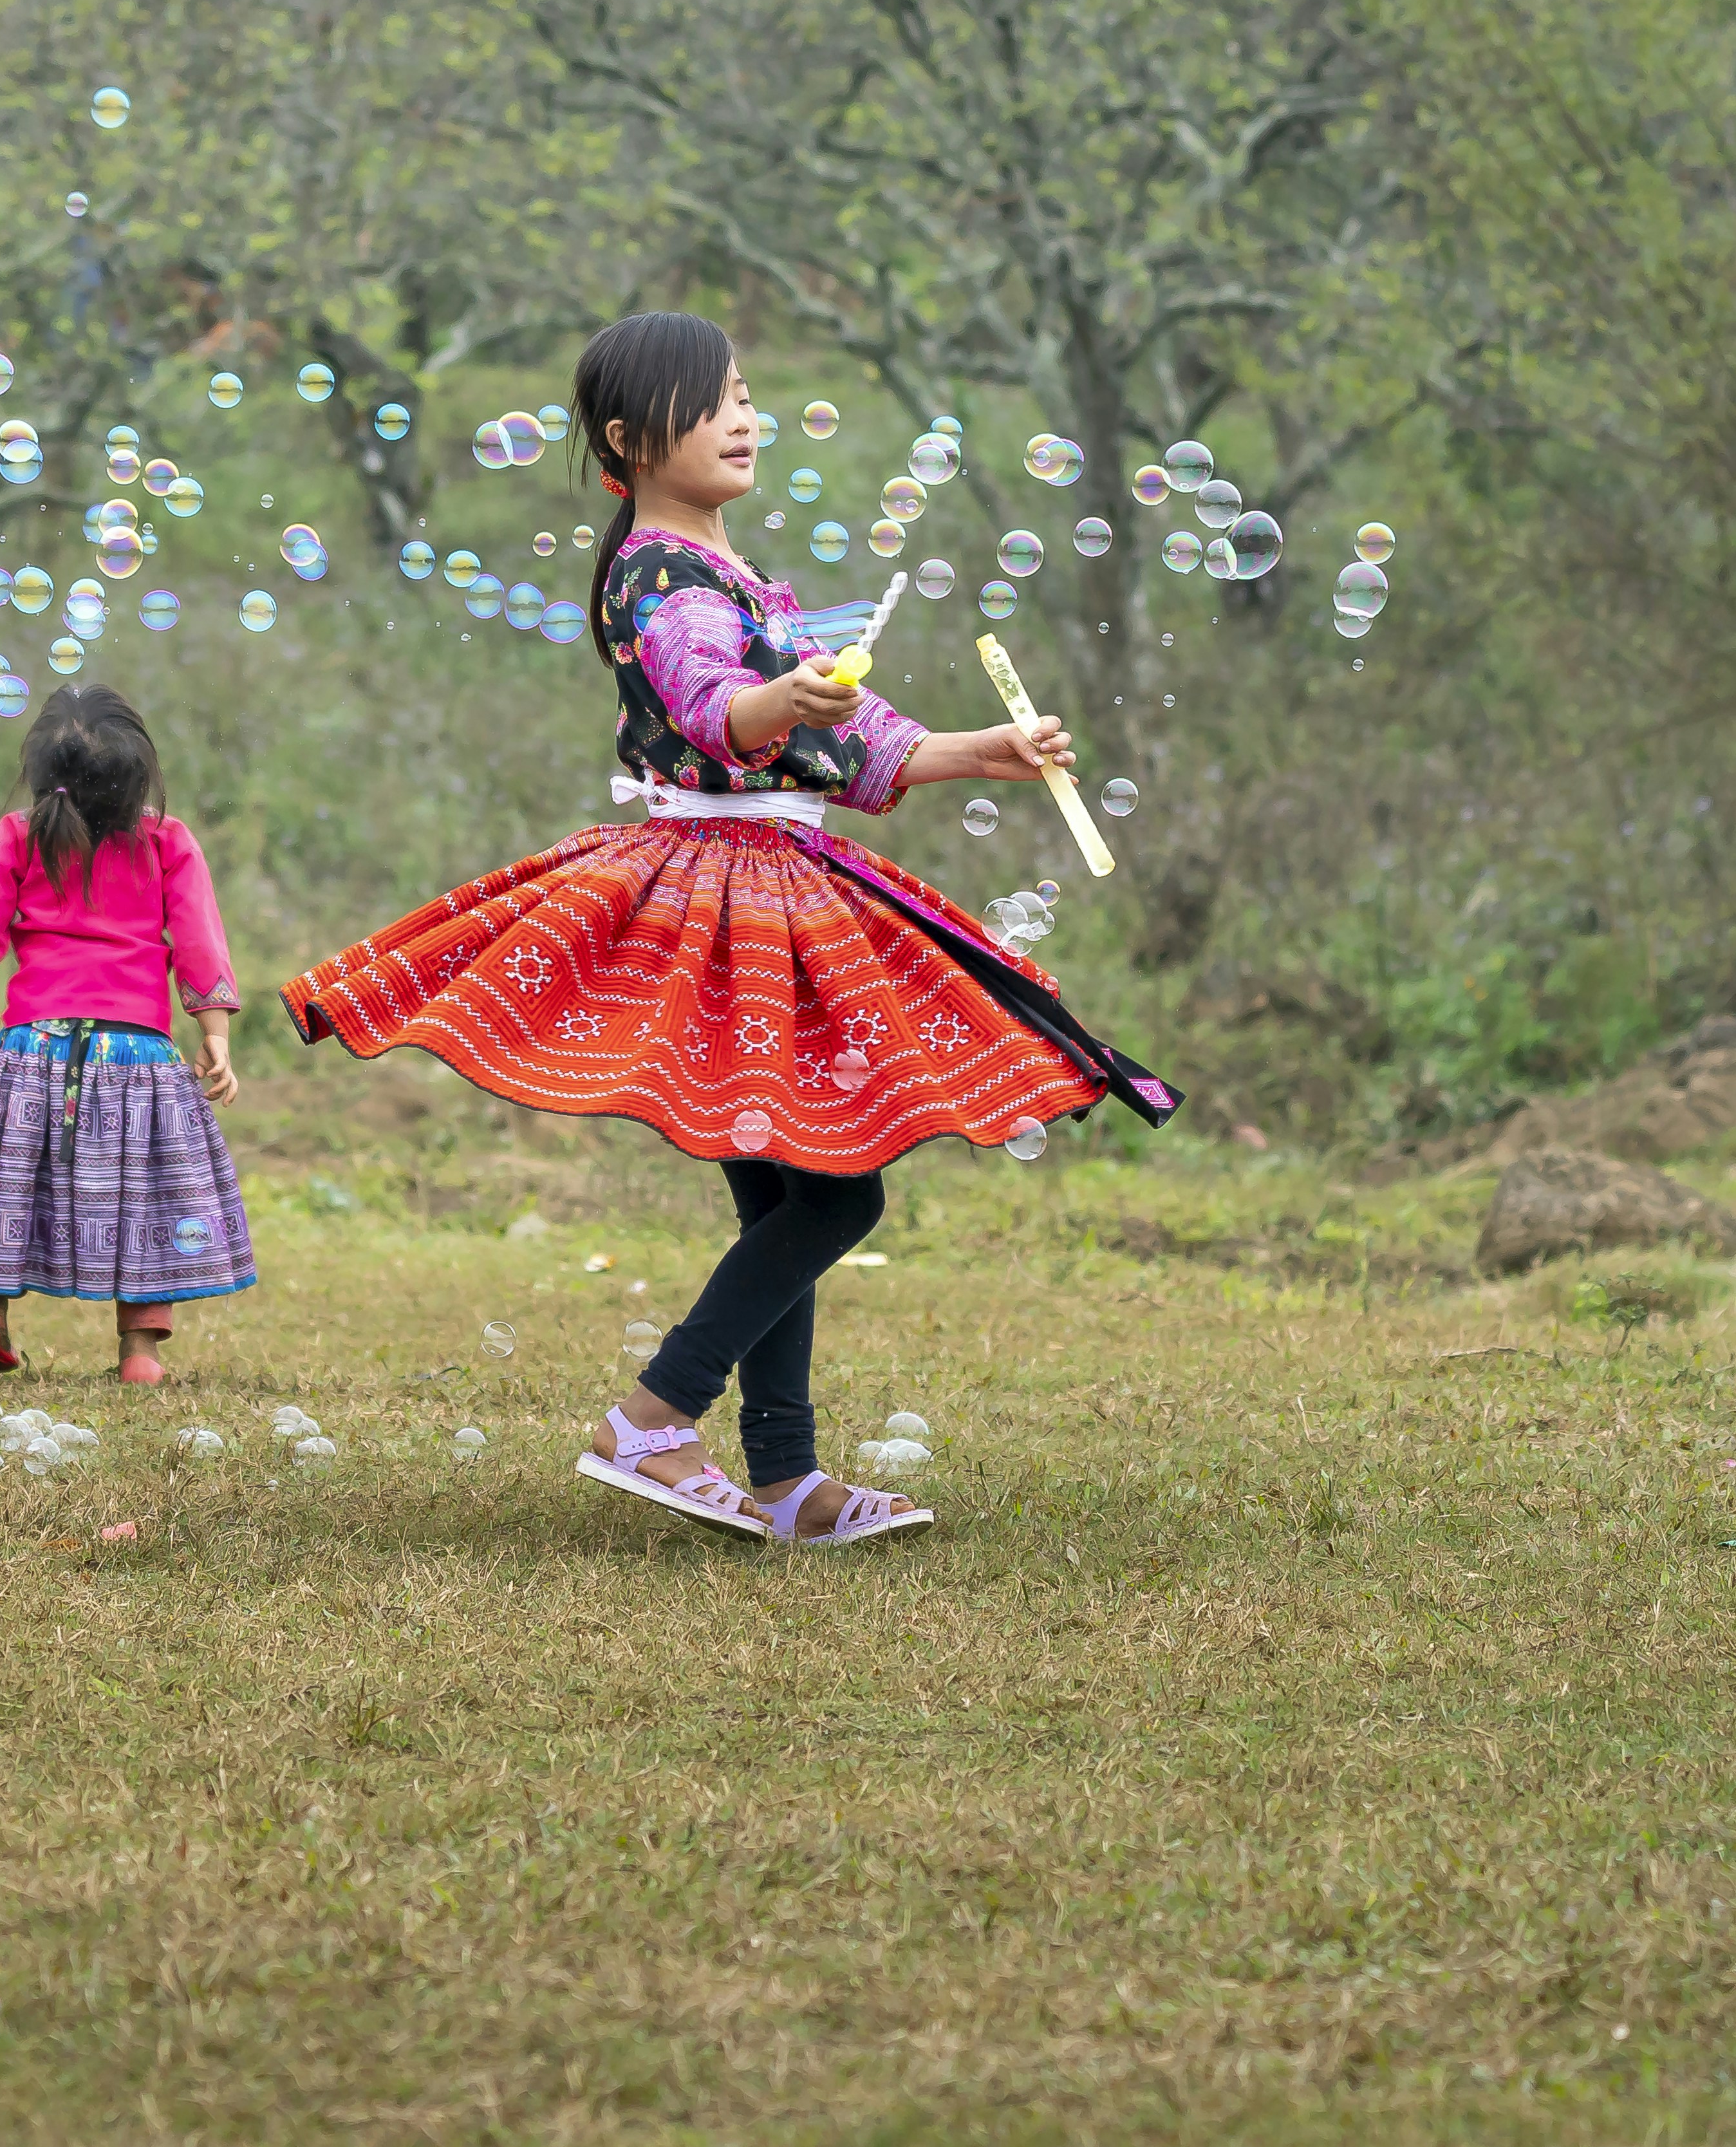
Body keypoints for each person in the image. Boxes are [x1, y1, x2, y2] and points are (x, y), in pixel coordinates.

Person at [283, 312, 1177, 1548]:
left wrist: (988, 751)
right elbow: (714, 706)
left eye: (748, 396)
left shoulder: (738, 574)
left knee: (791, 1195)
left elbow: (849, 739)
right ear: (629, 440)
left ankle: (787, 1481)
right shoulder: (657, 573)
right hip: (722, 897)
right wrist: (779, 697)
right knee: (834, 1198)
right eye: (716, 405)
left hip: (774, 877)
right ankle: (653, 1419)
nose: (744, 419)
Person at [0, 685, 248, 1384]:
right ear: (138, 778)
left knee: (14, 1182)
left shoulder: (16, 835)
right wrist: (214, 1032)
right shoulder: (170, 840)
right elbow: (198, 940)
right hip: (138, 1052)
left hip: (33, 1047)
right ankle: (140, 1352)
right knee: (144, 1195)